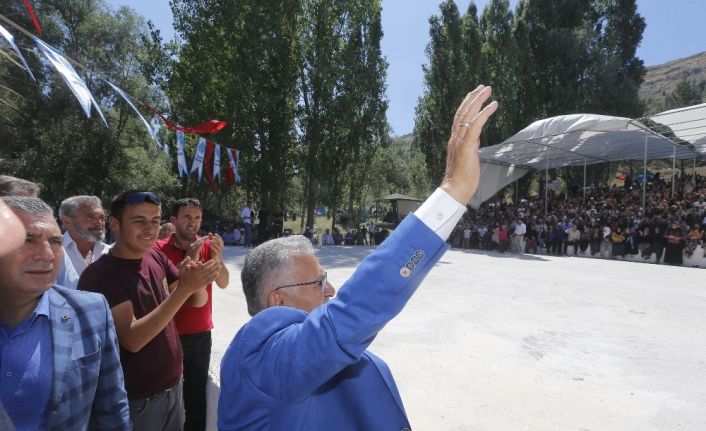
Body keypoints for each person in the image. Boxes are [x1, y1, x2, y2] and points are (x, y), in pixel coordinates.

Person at [217, 85, 498, 430]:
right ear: (278, 301)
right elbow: (350, 312)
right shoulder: (260, 358)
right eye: (318, 282)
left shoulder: (305, 360)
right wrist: (453, 192)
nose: (331, 290)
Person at [78, 191, 221, 431]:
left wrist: (195, 278)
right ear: (115, 224)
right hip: (137, 398)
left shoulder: (155, 257)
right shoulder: (101, 275)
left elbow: (197, 301)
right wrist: (184, 289)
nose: (149, 229)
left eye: (155, 221)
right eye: (139, 221)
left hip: (173, 386)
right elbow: (132, 339)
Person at [0, 196, 130, 430]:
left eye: (55, 241)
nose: (48, 255)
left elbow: (112, 410)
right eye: (27, 239)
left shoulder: (91, 312)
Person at [153, 198, 230, 431]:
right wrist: (190, 259)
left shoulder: (207, 246)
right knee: (164, 393)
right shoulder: (158, 249)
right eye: (187, 216)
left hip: (199, 333)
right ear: (173, 219)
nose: (193, 222)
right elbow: (161, 289)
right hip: (165, 331)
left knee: (195, 395)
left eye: (197, 217)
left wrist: (217, 256)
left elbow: (224, 283)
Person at [0, 175, 79, 288]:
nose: (47, 255)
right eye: (21, 205)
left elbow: (71, 287)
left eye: (37, 205)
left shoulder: (53, 249)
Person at [59, 195, 111, 275]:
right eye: (91, 217)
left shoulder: (111, 253)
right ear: (67, 221)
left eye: (102, 217)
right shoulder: (52, 251)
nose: (99, 222)